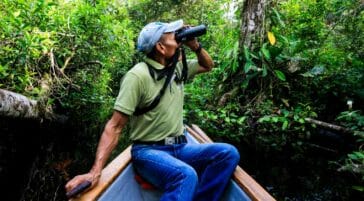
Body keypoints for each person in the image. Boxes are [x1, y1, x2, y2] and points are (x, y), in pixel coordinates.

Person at [65, 19, 240, 201]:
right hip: (148, 151)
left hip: (180, 146)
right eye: (174, 36)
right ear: (161, 48)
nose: (179, 39)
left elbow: (207, 65)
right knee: (186, 175)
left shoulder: (177, 68)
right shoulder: (138, 76)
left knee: (227, 154)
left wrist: (195, 47)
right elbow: (115, 126)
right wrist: (95, 172)